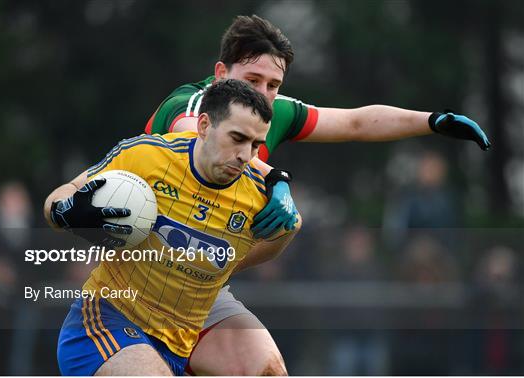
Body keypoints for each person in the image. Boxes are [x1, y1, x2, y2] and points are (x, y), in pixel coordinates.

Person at [145, 14, 492, 376]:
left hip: (199, 285)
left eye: (273, 84)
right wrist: (274, 178)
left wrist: (431, 121)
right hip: (140, 284)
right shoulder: (194, 105)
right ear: (220, 73)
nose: (262, 94)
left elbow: (355, 123)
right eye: (252, 80)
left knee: (268, 370)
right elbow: (199, 142)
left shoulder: (271, 111)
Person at [44, 79, 300, 375]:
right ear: (204, 125)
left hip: (182, 339)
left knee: (270, 372)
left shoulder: (256, 195)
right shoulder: (146, 156)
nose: (245, 155)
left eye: (256, 145)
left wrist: (226, 268)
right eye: (237, 138)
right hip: (106, 322)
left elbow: (289, 228)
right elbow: (60, 197)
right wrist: (66, 212)